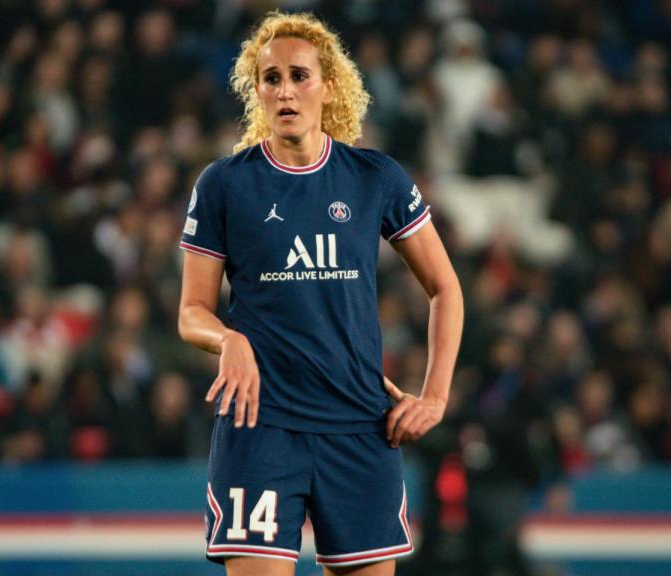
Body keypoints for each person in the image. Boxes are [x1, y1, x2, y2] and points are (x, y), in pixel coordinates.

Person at [177, 11, 464, 576]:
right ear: (255, 90)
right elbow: (191, 312)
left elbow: (446, 288)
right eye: (271, 78)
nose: (285, 90)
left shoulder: (374, 177)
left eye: (300, 75)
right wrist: (227, 339)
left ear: (329, 85)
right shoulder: (224, 185)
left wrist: (434, 397)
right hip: (260, 428)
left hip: (359, 428)